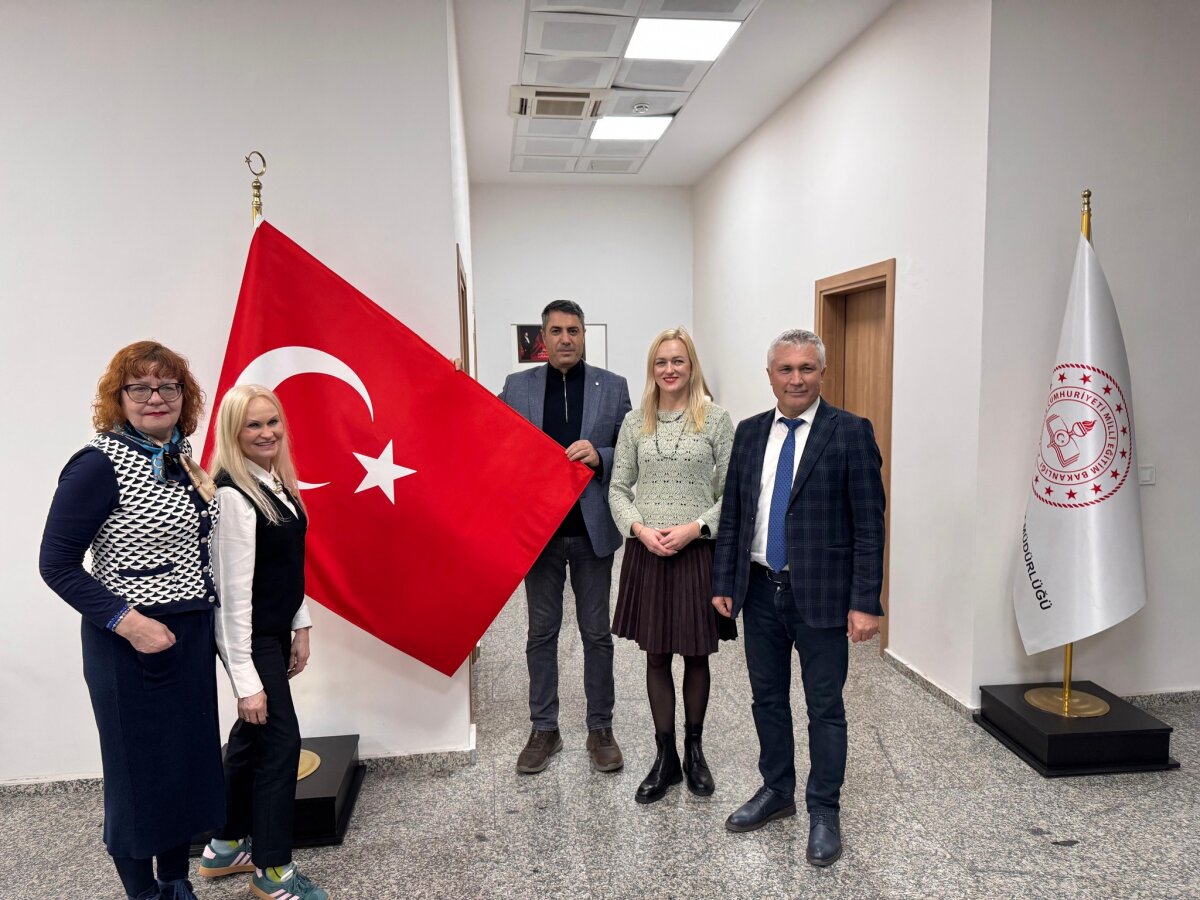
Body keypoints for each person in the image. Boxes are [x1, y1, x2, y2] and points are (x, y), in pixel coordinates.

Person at [39, 341, 223, 900]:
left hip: (188, 635)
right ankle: (142, 893)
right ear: (118, 398)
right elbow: (56, 564)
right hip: (129, 644)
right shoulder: (98, 464)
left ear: (184, 396)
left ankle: (174, 882)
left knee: (182, 768)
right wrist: (128, 622)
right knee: (138, 777)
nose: (154, 397)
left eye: (168, 386)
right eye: (139, 387)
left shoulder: (180, 455)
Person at [712, 329, 885, 867]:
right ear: (770, 375)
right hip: (760, 589)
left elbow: (869, 525)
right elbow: (734, 515)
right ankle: (776, 791)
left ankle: (824, 809)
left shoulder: (850, 432)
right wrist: (724, 583)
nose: (796, 379)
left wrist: (866, 600)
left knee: (825, 707)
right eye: (785, 369)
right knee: (767, 699)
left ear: (822, 373)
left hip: (824, 596)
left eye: (806, 368)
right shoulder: (749, 433)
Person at [199, 384, 328, 900]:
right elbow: (230, 599)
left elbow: (284, 568)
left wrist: (301, 624)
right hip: (248, 637)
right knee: (280, 743)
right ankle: (272, 871)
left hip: (272, 631)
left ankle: (225, 846)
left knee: (251, 738)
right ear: (234, 432)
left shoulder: (274, 482)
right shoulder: (233, 496)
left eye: (272, 421)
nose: (267, 432)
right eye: (253, 424)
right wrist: (246, 682)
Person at [499, 299, 632, 775]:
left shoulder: (612, 386)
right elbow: (489, 434)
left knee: (596, 634)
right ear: (543, 337)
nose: (565, 339)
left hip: (592, 532)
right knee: (542, 633)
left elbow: (630, 450)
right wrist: (453, 381)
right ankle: (544, 729)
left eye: (573, 330)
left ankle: (601, 728)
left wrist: (601, 455)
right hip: (539, 535)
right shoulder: (517, 387)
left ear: (583, 335)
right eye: (556, 331)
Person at [609, 328, 734, 803]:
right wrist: (640, 530)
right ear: (652, 368)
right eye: (661, 362)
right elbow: (618, 489)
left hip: (696, 553)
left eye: (678, 361)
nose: (670, 369)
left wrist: (695, 528)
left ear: (691, 365)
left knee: (696, 654)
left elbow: (732, 494)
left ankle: (694, 751)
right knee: (657, 655)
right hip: (648, 554)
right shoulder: (634, 422)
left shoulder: (716, 420)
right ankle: (666, 758)